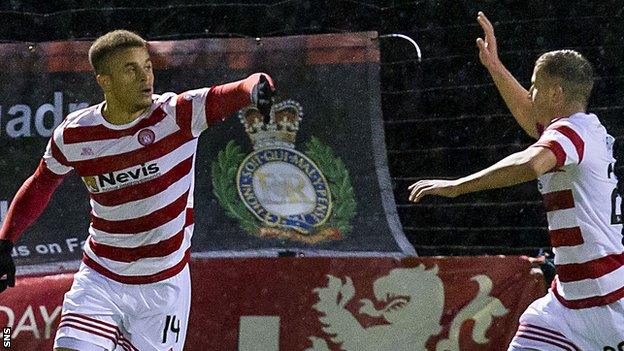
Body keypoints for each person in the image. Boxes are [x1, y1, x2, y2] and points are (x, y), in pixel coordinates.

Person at [0, 29, 275, 351]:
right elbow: (41, 184)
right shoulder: (75, 134)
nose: (145, 76)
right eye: (131, 68)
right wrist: (6, 242)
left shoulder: (178, 114)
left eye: (147, 66)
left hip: (163, 288)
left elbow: (239, 88)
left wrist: (257, 87)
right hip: (101, 278)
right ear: (105, 80)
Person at [408, 11, 624, 350]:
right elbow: (530, 115)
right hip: (566, 304)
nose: (530, 92)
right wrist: (494, 66)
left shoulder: (572, 131)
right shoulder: (583, 131)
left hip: (608, 302)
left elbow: (532, 161)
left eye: (535, 85)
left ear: (555, 93)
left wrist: (456, 186)